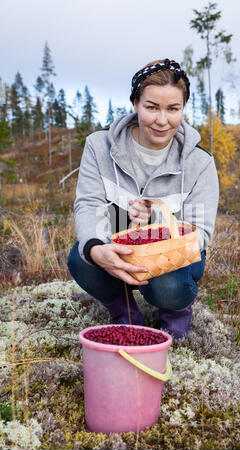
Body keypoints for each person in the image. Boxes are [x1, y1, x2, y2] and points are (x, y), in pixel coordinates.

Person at [67, 58, 219, 339]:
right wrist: (98, 250)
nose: (162, 120)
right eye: (151, 107)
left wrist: (156, 222)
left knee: (169, 286)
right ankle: (125, 310)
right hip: (118, 243)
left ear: (183, 108)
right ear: (135, 103)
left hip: (174, 257)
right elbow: (88, 204)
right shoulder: (99, 146)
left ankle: (174, 310)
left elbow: (201, 232)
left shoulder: (200, 163)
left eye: (173, 109)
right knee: (81, 257)